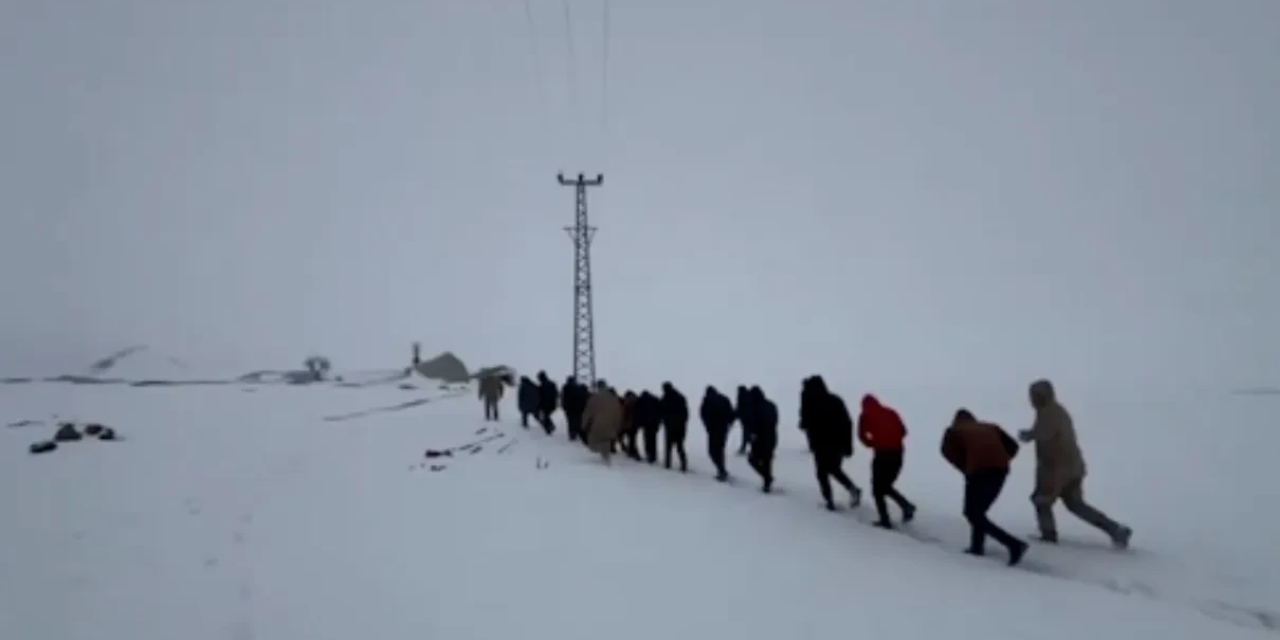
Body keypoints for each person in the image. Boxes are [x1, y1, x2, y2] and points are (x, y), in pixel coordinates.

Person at [1019, 379, 1133, 549]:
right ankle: (1115, 529)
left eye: (1034, 396)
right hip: (1072, 467)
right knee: (1076, 505)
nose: (1032, 399)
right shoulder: (1056, 410)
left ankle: (1048, 534)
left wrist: (1028, 435)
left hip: (1056, 469)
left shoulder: (1048, 413)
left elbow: (1045, 434)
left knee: (1042, 500)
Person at [940, 408, 1028, 566]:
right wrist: (1000, 459)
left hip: (978, 471)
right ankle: (977, 547)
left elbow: (947, 452)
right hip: (1000, 470)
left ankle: (1014, 545)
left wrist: (966, 467)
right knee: (978, 512)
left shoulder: (954, 431)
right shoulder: (990, 427)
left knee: (972, 513)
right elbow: (1013, 447)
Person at [799, 375, 862, 511]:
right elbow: (848, 423)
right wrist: (848, 445)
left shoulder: (812, 403)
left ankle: (830, 501)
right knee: (833, 469)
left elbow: (806, 423)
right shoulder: (835, 400)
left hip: (822, 444)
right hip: (836, 443)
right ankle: (851, 490)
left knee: (823, 473)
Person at [857, 394, 917, 528]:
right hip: (897, 453)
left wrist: (873, 443)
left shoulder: (865, 416)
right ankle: (906, 506)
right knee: (885, 485)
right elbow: (903, 431)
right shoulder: (890, 412)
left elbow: (862, 436)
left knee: (877, 488)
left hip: (882, 455)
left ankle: (885, 519)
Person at [699, 386, 736, 481]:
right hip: (722, 429)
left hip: (713, 430)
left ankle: (721, 470)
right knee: (720, 450)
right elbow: (731, 413)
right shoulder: (724, 399)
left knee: (712, 451)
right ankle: (722, 470)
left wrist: (707, 425)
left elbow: (702, 414)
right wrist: (729, 423)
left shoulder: (707, 400)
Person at [582, 381, 623, 465]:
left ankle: (603, 456)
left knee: (594, 442)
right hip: (610, 424)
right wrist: (617, 426)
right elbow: (618, 413)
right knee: (606, 441)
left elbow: (588, 412)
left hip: (597, 424)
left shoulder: (594, 398)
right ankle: (606, 457)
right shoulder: (614, 398)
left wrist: (584, 424)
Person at [746, 386, 778, 492]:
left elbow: (752, 423)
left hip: (759, 438)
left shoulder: (754, 407)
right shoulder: (771, 405)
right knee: (767, 460)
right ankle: (767, 482)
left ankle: (767, 478)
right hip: (772, 436)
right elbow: (775, 419)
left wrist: (752, 434)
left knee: (752, 459)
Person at [660, 382, 690, 472]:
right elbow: (686, 414)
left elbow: (661, 411)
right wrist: (682, 423)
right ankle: (683, 464)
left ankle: (667, 464)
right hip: (680, 427)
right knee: (680, 446)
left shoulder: (665, 398)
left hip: (670, 426)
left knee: (668, 446)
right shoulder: (680, 397)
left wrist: (664, 421)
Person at [635, 390, 662, 463]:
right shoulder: (655, 399)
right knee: (653, 440)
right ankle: (653, 456)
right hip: (654, 423)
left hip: (646, 424)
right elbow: (660, 412)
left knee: (647, 439)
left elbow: (638, 413)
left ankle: (648, 454)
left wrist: (638, 424)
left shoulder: (641, 400)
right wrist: (659, 422)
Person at [561, 377, 590, 443]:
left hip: (569, 408)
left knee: (570, 422)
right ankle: (579, 433)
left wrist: (565, 407)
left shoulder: (566, 388)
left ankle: (572, 434)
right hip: (578, 408)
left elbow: (564, 399)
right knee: (578, 421)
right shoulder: (578, 388)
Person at [735, 385, 755, 455]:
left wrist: (733, 417)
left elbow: (739, 409)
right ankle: (747, 448)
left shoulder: (741, 397)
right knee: (748, 434)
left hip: (745, 420)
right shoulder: (750, 396)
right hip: (751, 420)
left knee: (746, 435)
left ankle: (744, 449)